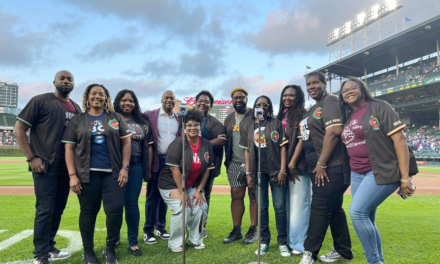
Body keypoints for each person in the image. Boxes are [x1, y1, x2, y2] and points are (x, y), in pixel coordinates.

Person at [339, 77, 418, 264]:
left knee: (357, 213)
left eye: (353, 87)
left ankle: (374, 262)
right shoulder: (349, 116)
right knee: (367, 220)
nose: (349, 91)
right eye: (344, 90)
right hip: (357, 173)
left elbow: (400, 140)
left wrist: (405, 178)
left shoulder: (379, 106)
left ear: (362, 89)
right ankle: (378, 261)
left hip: (381, 170)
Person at [14, 70, 81, 264]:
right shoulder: (40, 100)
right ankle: (40, 255)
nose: (66, 81)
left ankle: (50, 247)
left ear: (74, 84)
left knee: (58, 209)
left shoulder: (76, 107)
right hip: (45, 165)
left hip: (66, 167)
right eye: (62, 78)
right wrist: (31, 158)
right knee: (44, 209)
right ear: (54, 82)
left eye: (70, 78)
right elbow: (19, 128)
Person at [62, 84, 132, 264]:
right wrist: (72, 175)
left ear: (106, 98)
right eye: (94, 94)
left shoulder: (115, 117)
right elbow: (69, 148)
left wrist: (124, 167)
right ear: (87, 97)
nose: (97, 97)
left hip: (113, 174)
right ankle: (88, 252)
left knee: (115, 211)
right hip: (87, 174)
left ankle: (109, 249)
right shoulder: (78, 120)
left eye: (101, 94)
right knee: (88, 212)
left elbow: (126, 143)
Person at [299, 72, 353, 264]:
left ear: (324, 83)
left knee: (320, 209)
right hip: (320, 168)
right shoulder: (315, 106)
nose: (312, 86)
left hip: (331, 167)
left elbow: (334, 132)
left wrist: (321, 164)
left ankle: (309, 254)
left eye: (316, 83)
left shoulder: (330, 101)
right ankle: (343, 251)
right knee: (335, 209)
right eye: (308, 84)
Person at [239, 95, 291, 257]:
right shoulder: (247, 124)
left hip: (276, 171)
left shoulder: (275, 123)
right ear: (254, 107)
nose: (262, 107)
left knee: (280, 207)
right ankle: (264, 241)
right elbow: (246, 152)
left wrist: (283, 170)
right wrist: (248, 174)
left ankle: (282, 242)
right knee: (262, 208)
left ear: (269, 107)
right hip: (257, 172)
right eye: (258, 104)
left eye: (265, 104)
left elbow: (283, 147)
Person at [158, 109, 214, 252]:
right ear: (184, 127)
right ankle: (175, 243)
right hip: (171, 184)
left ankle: (195, 239)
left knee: (200, 205)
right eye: (189, 125)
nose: (193, 128)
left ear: (200, 125)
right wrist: (183, 192)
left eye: (196, 124)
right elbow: (174, 170)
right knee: (183, 206)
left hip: (190, 185)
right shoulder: (178, 144)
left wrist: (200, 190)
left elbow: (207, 169)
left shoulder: (207, 144)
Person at [113, 90, 154, 257]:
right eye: (124, 100)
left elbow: (149, 146)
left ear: (135, 103)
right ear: (118, 102)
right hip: (115, 166)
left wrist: (148, 168)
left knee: (131, 204)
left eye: (131, 101)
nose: (127, 103)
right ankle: (114, 238)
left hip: (136, 165)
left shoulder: (142, 121)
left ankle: (133, 242)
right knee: (115, 205)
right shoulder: (111, 118)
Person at [276, 85, 312, 256]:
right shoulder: (281, 115)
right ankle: (290, 239)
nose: (287, 98)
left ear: (299, 97)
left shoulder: (304, 114)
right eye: (285, 95)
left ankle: (299, 243)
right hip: (283, 167)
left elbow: (303, 140)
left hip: (298, 167)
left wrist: (292, 163)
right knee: (288, 205)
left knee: (300, 205)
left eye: (291, 95)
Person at [143, 90, 181, 244]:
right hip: (155, 159)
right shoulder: (150, 115)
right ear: (161, 99)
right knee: (152, 197)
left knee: (165, 197)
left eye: (172, 98)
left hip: (171, 163)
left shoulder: (178, 119)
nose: (169, 100)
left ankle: (161, 227)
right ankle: (148, 230)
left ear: (175, 101)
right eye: (166, 97)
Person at [223, 88, 258, 244]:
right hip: (235, 162)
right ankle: (236, 230)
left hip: (254, 163)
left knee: (253, 195)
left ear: (246, 98)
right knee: (236, 195)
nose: (238, 100)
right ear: (232, 100)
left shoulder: (254, 115)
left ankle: (253, 229)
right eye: (235, 98)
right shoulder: (229, 119)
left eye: (241, 97)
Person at [194, 90, 227, 237]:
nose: (203, 103)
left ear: (211, 105)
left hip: (207, 167)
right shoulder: (189, 119)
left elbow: (222, 139)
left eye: (206, 101)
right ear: (195, 103)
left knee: (204, 195)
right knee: (188, 195)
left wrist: (202, 144)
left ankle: (202, 226)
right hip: (190, 166)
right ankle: (190, 226)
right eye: (200, 100)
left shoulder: (213, 122)